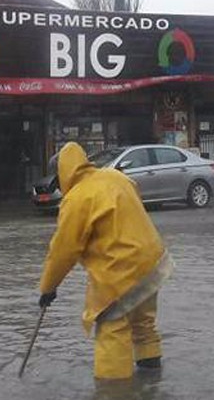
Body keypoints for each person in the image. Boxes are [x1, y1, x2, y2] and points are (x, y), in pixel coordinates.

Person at [39, 142, 173, 379]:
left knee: (112, 328)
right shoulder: (114, 176)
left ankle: (114, 398)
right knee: (143, 323)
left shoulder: (76, 200)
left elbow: (63, 251)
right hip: (154, 262)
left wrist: (48, 288)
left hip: (122, 272)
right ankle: (151, 376)